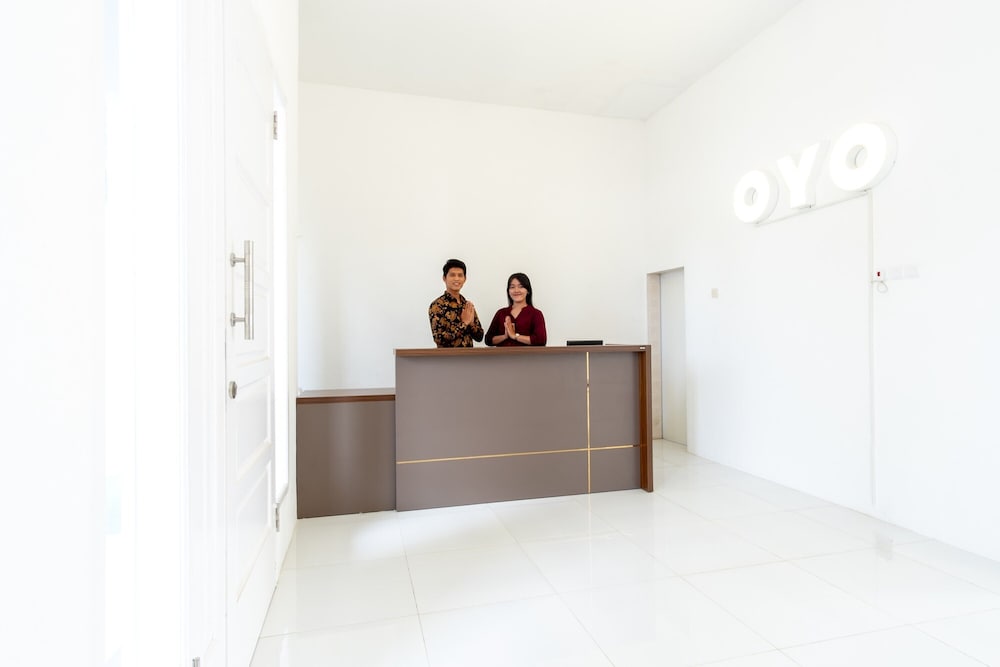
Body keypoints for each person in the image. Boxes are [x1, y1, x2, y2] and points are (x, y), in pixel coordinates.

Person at [428, 258, 484, 347]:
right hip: (448, 355)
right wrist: (464, 323)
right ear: (444, 278)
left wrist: (471, 324)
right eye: (452, 275)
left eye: (460, 275)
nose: (456, 279)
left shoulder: (467, 305)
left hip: (469, 355)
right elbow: (439, 339)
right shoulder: (437, 305)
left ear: (465, 279)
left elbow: (479, 337)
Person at [485, 272, 547, 346]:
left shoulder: (536, 314)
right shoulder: (501, 313)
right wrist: (505, 336)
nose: (516, 290)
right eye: (512, 287)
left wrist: (515, 336)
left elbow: (541, 340)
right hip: (503, 353)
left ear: (528, 291)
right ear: (508, 291)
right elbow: (488, 340)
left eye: (521, 286)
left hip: (526, 354)